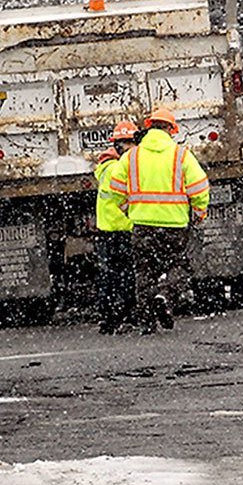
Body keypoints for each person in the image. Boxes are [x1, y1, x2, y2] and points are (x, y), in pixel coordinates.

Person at [104, 107, 210, 334]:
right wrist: (199, 213)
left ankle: (146, 321)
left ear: (149, 127)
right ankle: (166, 294)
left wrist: (128, 209)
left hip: (142, 225)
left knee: (144, 272)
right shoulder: (181, 155)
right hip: (175, 225)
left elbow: (115, 188)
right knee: (180, 265)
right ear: (171, 130)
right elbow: (199, 187)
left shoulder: (132, 156)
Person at [93, 120, 139, 334]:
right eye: (130, 143)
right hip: (124, 228)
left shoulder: (105, 167)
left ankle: (109, 317)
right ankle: (127, 313)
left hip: (107, 230)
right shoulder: (120, 168)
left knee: (109, 275)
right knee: (127, 274)